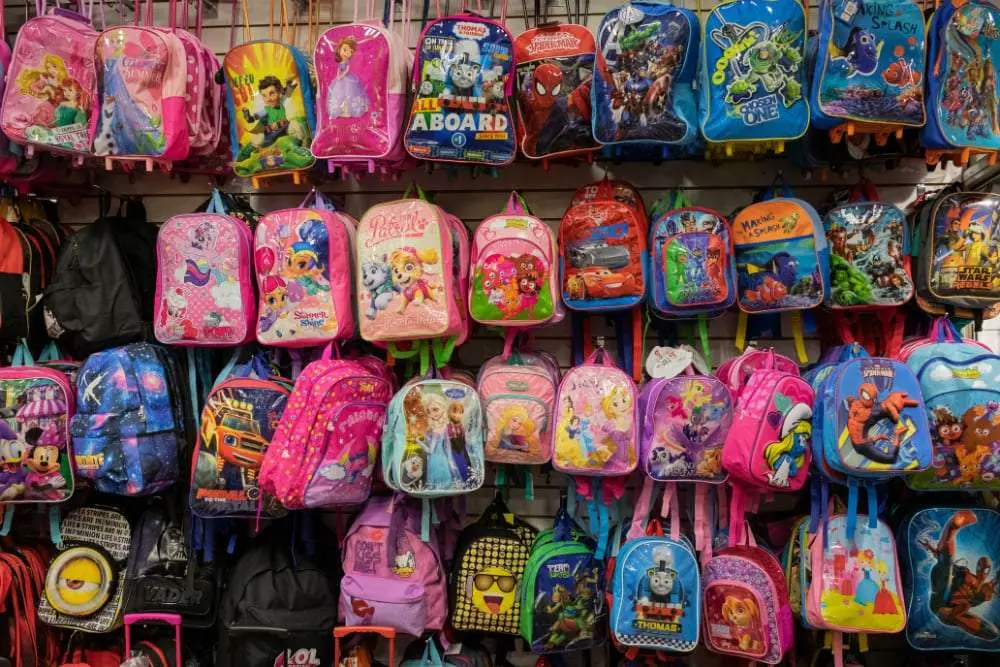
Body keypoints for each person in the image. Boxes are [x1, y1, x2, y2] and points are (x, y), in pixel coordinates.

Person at [921, 509, 1000, 639]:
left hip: (947, 610)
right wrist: (932, 549)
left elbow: (986, 589)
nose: (983, 570)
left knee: (992, 633)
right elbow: (945, 563)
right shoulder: (968, 576)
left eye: (986, 568)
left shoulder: (985, 590)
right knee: (947, 565)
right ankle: (952, 528)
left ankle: (956, 615)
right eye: (981, 566)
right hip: (942, 593)